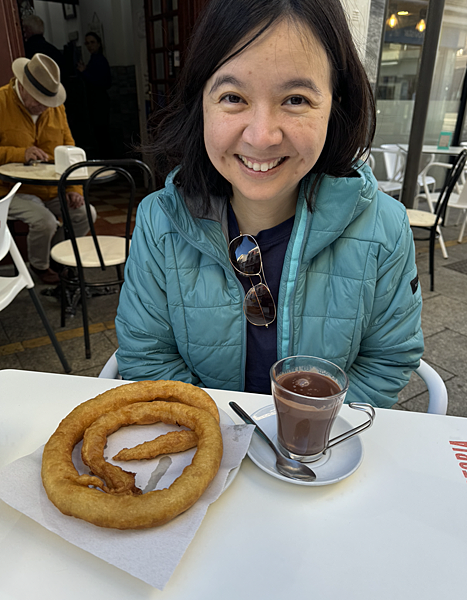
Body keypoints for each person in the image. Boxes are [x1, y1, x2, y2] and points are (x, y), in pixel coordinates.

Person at [115, 0, 424, 409]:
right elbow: (147, 357)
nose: (261, 137)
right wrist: (226, 441)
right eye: (232, 97)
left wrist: (307, 435)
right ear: (200, 104)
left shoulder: (385, 227)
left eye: (295, 99)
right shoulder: (158, 223)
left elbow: (387, 360)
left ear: (336, 105)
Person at [0, 53, 96, 285]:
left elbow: (69, 147)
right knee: (45, 221)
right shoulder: (1, 102)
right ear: (22, 86)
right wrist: (18, 153)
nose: (44, 107)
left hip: (51, 188)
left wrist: (74, 188)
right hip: (10, 189)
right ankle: (39, 266)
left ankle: (57, 258)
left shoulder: (55, 108)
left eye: (48, 100)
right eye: (38, 99)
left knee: (86, 214)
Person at [77, 32, 112, 158]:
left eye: (92, 42)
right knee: (99, 134)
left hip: (100, 103)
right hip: (95, 102)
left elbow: (104, 82)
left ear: (98, 43)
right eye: (87, 43)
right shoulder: (93, 59)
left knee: (102, 134)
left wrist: (85, 72)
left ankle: (106, 161)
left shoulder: (100, 60)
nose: (90, 46)